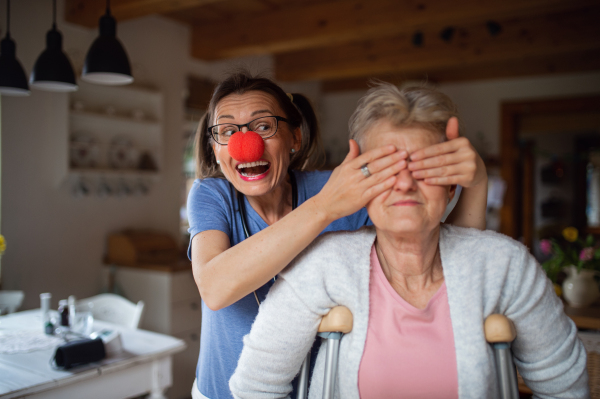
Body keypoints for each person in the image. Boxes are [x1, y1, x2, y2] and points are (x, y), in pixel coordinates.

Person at [229, 83, 588, 398]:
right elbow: (254, 387)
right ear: (361, 187)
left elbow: (566, 388)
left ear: (451, 187)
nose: (404, 183)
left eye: (423, 168)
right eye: (385, 169)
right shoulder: (324, 265)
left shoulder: (505, 265)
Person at [187, 72, 489, 399]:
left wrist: (477, 182)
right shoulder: (211, 194)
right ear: (216, 149)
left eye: (263, 126)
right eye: (227, 131)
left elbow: (440, 262)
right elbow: (215, 288)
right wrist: (325, 207)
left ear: (295, 138)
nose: (246, 145)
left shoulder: (337, 187)